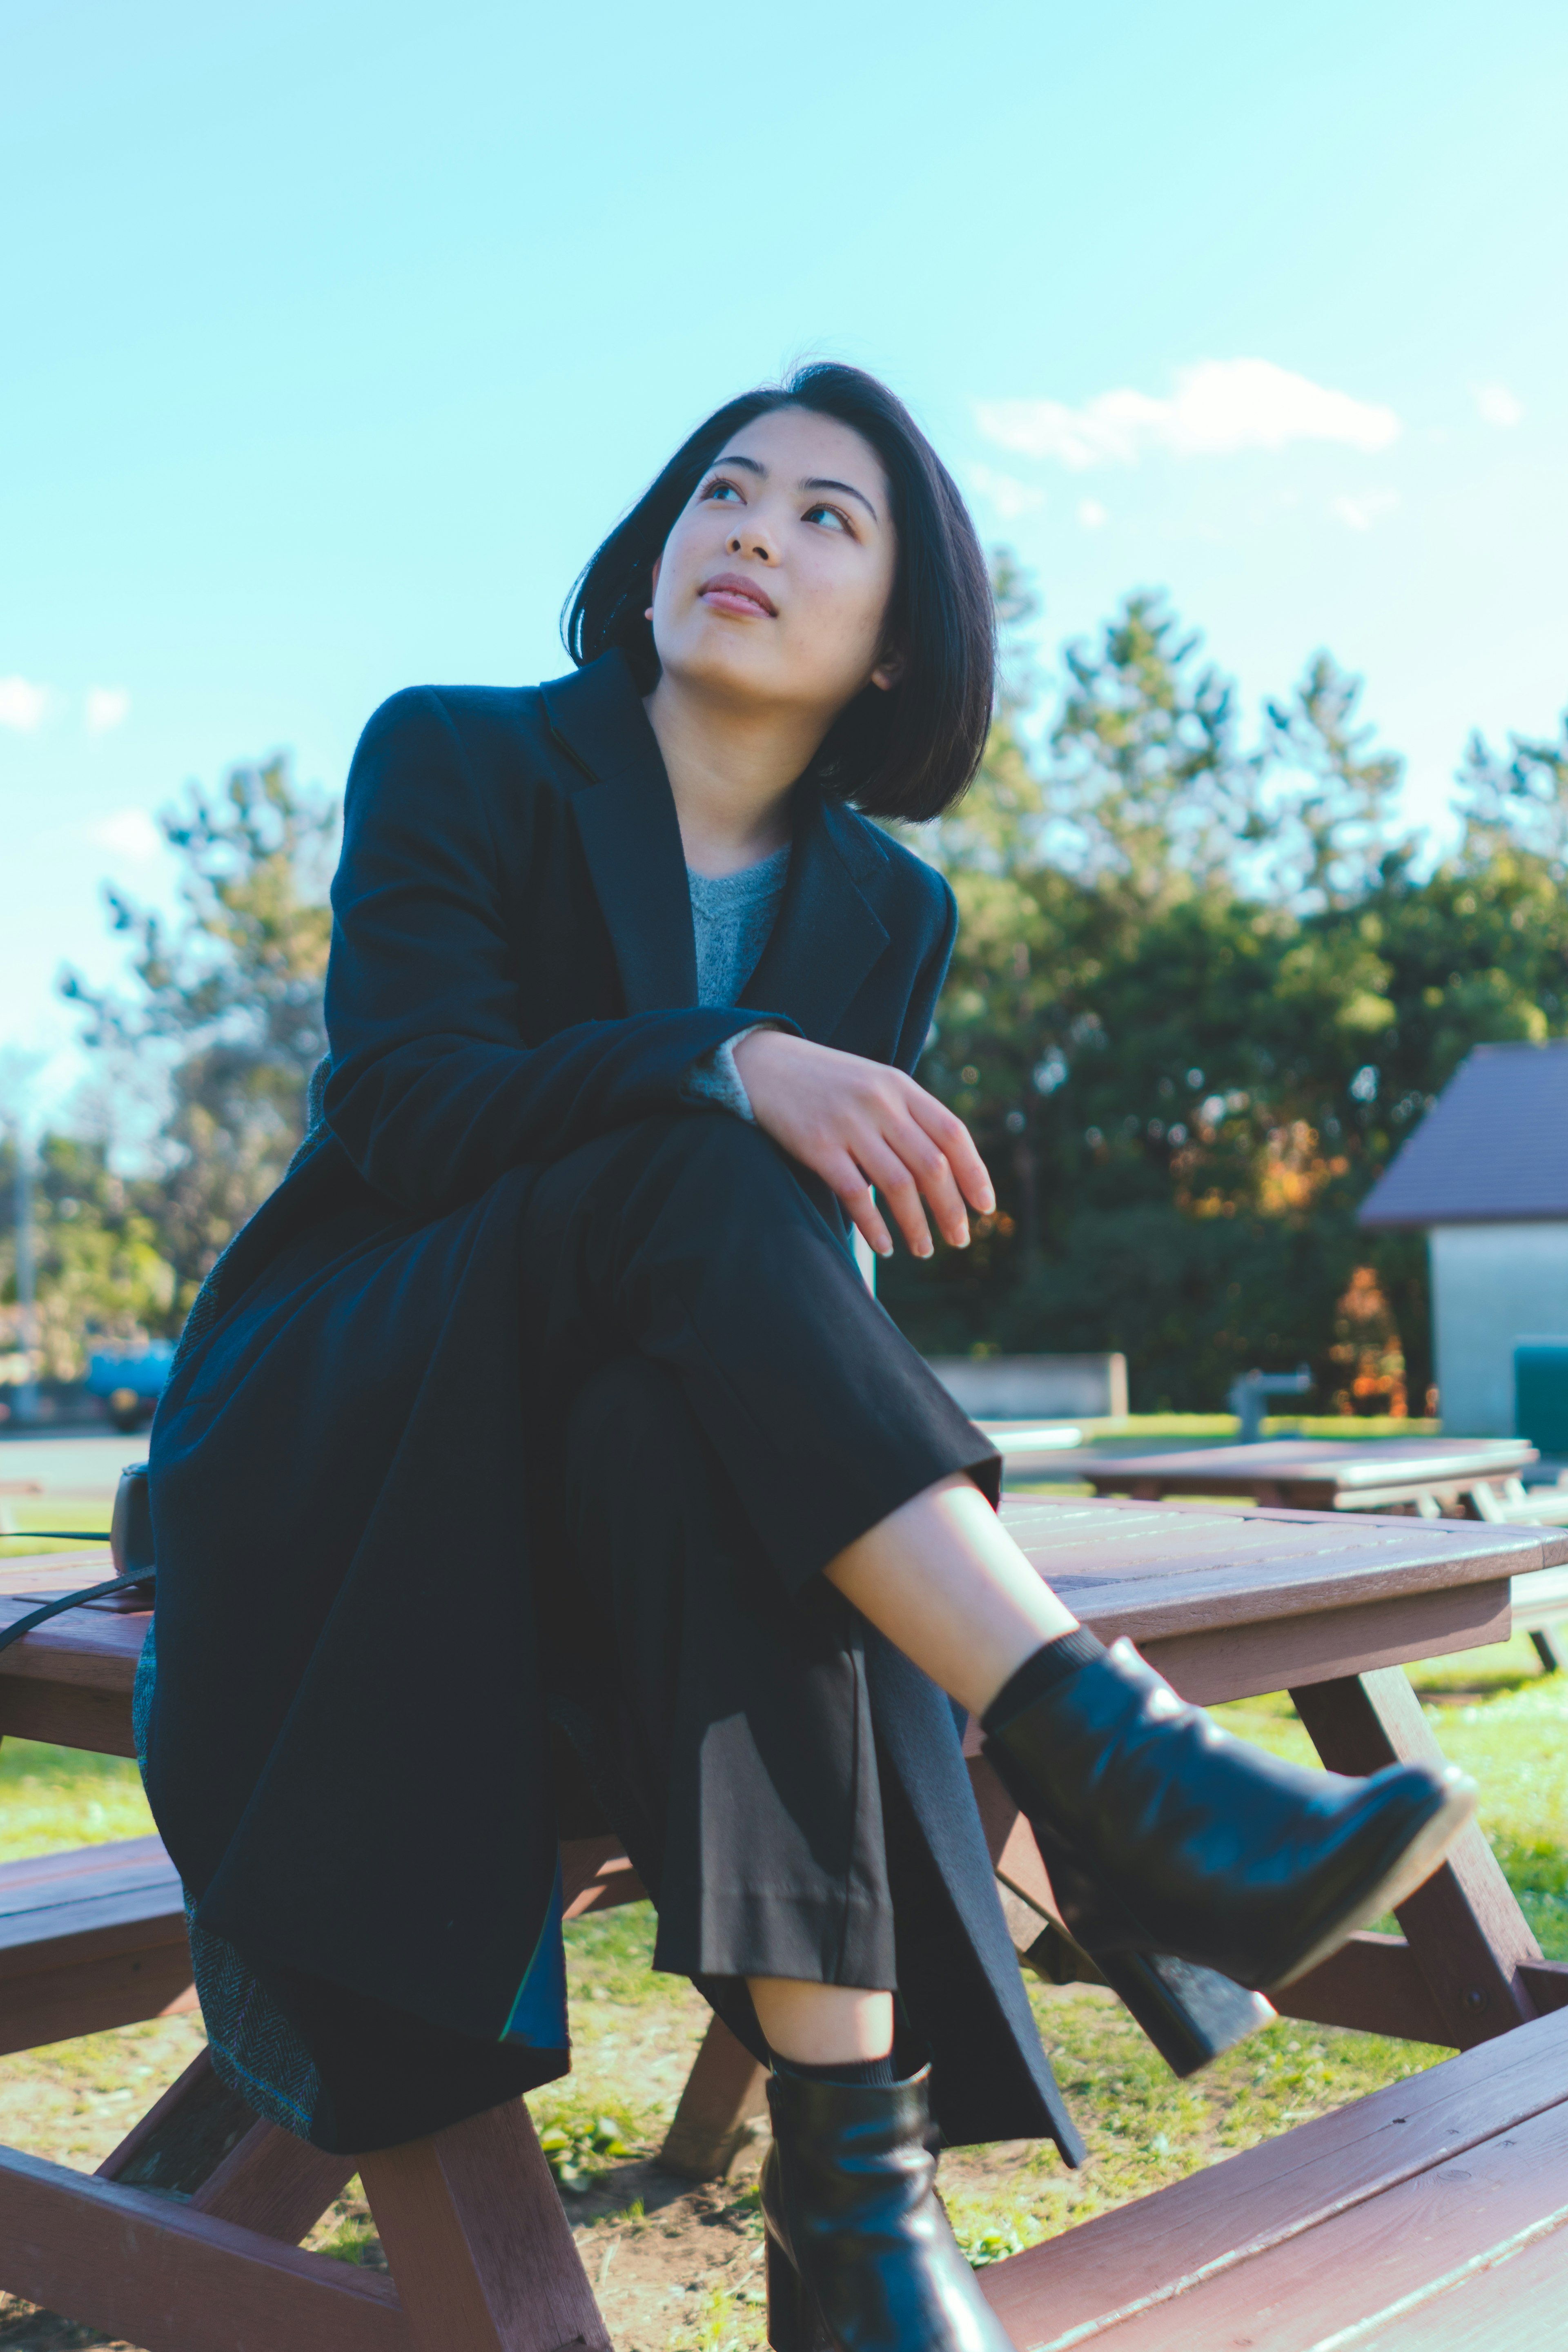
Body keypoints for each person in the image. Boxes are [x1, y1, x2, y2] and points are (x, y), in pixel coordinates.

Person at [140, 363, 1474, 2352]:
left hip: (620, 1451)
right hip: (369, 1399)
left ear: (895, 645)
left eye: (825, 517)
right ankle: (1105, 1766)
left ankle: (854, 2202)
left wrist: (744, 1100)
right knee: (693, 1156)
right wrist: (724, 1057)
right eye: (722, 493)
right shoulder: (457, 755)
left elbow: (796, 1292)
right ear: (660, 547)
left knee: (716, 1466)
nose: (752, 530)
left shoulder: (885, 908)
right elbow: (407, 1115)